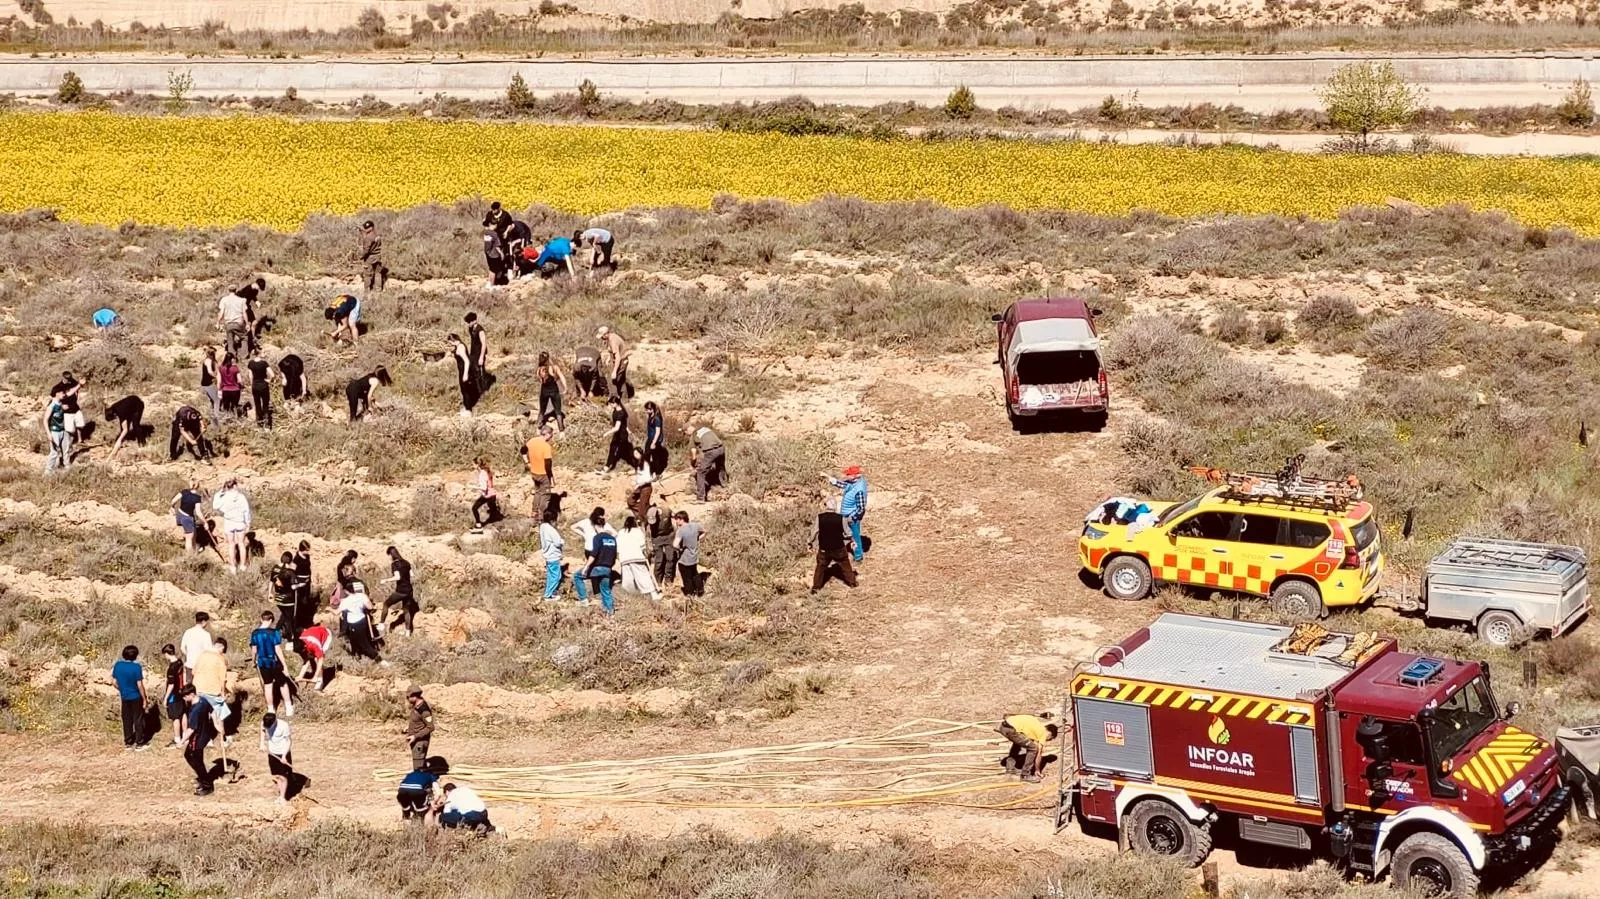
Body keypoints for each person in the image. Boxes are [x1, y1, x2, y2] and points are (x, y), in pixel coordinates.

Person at [250, 610, 296, 717]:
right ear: (271, 620)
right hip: (274, 662)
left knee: (268, 685)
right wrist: (284, 665)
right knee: (283, 683)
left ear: (261, 619)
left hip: (262, 662)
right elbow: (277, 649)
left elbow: (254, 649)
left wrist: (253, 661)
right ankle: (288, 706)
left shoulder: (255, 633)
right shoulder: (274, 632)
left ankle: (270, 709)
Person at [811, 497, 857, 592]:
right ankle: (852, 582)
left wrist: (810, 543)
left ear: (826, 506)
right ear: (835, 507)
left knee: (820, 567)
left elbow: (814, 532)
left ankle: (816, 587)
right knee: (845, 564)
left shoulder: (819, 517)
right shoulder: (841, 518)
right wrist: (851, 540)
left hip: (824, 548)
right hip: (839, 547)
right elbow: (848, 533)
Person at [998, 712, 1058, 783]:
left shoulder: (1036, 726)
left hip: (1003, 726)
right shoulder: (1043, 733)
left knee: (1018, 742)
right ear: (1050, 734)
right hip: (1011, 730)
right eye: (1050, 739)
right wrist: (1037, 770)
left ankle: (1010, 768)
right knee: (1034, 749)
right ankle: (1025, 775)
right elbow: (1039, 753)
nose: (1047, 740)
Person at [179, 686, 218, 795]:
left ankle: (207, 784)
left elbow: (192, 729)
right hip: (204, 735)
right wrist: (216, 724)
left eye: (185, 696)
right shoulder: (203, 700)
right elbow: (213, 711)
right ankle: (203, 777)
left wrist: (182, 741)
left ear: (191, 694)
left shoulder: (196, 709)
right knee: (191, 757)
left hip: (197, 738)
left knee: (196, 760)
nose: (184, 699)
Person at [112, 645, 150, 751]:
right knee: (138, 719)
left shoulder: (118, 665)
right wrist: (144, 698)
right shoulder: (136, 667)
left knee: (126, 719)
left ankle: (128, 742)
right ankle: (139, 742)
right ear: (135, 656)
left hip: (125, 696)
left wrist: (122, 689)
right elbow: (139, 685)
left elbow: (114, 682)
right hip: (136, 696)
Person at [829, 465, 869, 564]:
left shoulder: (859, 490)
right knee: (845, 534)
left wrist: (853, 517)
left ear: (855, 476)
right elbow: (845, 485)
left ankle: (858, 556)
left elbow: (861, 507)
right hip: (847, 515)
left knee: (855, 536)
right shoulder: (855, 482)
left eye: (849, 474)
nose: (846, 475)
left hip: (852, 517)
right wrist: (833, 481)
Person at [212, 479, 253, 575]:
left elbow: (215, 506)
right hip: (240, 522)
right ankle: (242, 566)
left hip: (229, 522)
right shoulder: (241, 497)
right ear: (234, 486)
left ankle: (233, 567)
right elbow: (246, 511)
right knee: (241, 544)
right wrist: (248, 523)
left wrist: (220, 492)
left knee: (231, 545)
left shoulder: (224, 497)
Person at [616, 515, 660, 601]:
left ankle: (634, 595)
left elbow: (618, 546)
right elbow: (642, 545)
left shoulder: (621, 532)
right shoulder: (638, 531)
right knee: (643, 576)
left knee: (628, 580)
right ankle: (653, 594)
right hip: (637, 557)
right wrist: (645, 552)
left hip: (624, 559)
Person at [192, 637, 231, 730]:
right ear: (222, 648)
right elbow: (222, 679)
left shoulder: (202, 655)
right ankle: (222, 738)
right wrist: (223, 693)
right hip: (212, 690)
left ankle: (207, 737)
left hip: (198, 688)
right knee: (219, 714)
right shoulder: (221, 659)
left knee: (204, 714)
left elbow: (193, 671)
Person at [339, 583, 382, 663]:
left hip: (354, 624)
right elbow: (370, 607)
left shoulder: (346, 601)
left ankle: (378, 659)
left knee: (363, 643)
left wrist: (330, 609)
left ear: (346, 591)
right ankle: (356, 655)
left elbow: (336, 612)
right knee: (353, 639)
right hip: (363, 620)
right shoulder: (362, 596)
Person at [381, 546, 418, 637]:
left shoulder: (395, 564)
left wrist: (386, 580)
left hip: (401, 591)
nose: (389, 557)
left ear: (391, 555)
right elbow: (412, 575)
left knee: (386, 604)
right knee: (406, 610)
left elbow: (398, 577)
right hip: (409, 591)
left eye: (389, 555)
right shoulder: (406, 562)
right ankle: (408, 632)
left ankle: (381, 624)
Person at [521, 424, 555, 521]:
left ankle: (534, 512)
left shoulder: (532, 441)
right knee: (545, 495)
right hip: (543, 474)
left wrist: (527, 462)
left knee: (538, 492)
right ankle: (541, 516)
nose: (552, 437)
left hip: (534, 472)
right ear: (547, 434)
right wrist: (550, 478)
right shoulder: (546, 447)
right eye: (551, 434)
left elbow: (522, 450)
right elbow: (548, 465)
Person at [261, 711, 295, 804]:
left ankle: (283, 797)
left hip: (282, 753)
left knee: (283, 777)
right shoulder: (265, 722)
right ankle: (280, 796)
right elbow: (263, 730)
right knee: (276, 776)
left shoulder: (284, 726)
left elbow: (288, 741)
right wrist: (262, 743)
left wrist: (284, 756)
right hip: (272, 753)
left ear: (275, 721)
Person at [687, 423, 726, 502]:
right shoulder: (705, 428)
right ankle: (725, 487)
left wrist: (694, 464)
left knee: (700, 472)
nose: (686, 435)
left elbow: (694, 453)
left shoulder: (694, 435)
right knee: (720, 468)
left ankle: (700, 498)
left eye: (685, 433)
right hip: (721, 448)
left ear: (687, 430)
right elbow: (708, 442)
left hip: (711, 451)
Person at [586, 522, 619, 614]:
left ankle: (583, 600)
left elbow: (594, 553)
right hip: (607, 567)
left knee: (577, 576)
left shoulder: (597, 537)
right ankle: (609, 610)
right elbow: (614, 555)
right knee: (606, 589)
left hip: (597, 567)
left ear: (595, 526)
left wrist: (586, 567)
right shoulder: (613, 539)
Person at [218, 282, 257, 358]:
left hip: (228, 323)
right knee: (244, 337)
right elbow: (244, 313)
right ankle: (244, 355)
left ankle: (231, 356)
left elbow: (221, 312)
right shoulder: (241, 300)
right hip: (239, 323)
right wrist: (247, 324)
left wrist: (218, 322)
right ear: (236, 291)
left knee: (230, 340)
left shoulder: (224, 300)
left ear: (228, 291)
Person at [673, 511, 706, 597]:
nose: (676, 522)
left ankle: (690, 593)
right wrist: (698, 539)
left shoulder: (681, 531)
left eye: (676, 520)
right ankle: (700, 590)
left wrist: (680, 549)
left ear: (681, 519)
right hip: (694, 556)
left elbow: (675, 544)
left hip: (685, 558)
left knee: (686, 577)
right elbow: (704, 532)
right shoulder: (696, 526)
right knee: (695, 573)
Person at [601, 394, 637, 473]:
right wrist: (628, 430)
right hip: (619, 434)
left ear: (615, 403)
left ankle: (639, 466)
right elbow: (624, 424)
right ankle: (606, 467)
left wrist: (607, 433)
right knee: (613, 450)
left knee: (627, 454)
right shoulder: (617, 410)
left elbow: (617, 428)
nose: (610, 405)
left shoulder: (620, 413)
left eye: (611, 404)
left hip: (621, 435)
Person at [646, 501, 677, 591]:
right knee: (659, 560)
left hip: (669, 536)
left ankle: (668, 579)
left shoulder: (666, 511)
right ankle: (657, 581)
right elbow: (647, 531)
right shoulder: (649, 516)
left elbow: (675, 516)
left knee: (670, 558)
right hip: (656, 537)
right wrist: (649, 544)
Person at [403, 688, 435, 772]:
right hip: (415, 741)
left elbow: (430, 727)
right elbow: (418, 721)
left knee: (418, 768)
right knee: (421, 766)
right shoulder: (416, 707)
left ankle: (421, 783)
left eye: (408, 697)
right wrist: (409, 728)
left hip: (420, 743)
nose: (407, 699)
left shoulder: (424, 710)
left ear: (414, 697)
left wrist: (415, 736)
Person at [103, 394, 144, 459]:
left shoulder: (121, 411)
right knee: (123, 427)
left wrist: (118, 440)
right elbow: (123, 427)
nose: (114, 420)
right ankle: (124, 440)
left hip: (138, 406)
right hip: (131, 406)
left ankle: (142, 445)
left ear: (113, 415)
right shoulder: (114, 408)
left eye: (112, 419)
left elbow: (126, 429)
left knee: (135, 425)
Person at [596, 326, 632, 399]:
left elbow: (618, 357)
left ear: (606, 334)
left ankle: (614, 399)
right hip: (621, 361)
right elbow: (613, 352)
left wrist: (614, 371)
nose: (601, 338)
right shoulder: (611, 338)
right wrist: (609, 358)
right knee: (621, 381)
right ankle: (624, 399)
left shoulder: (613, 341)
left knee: (611, 381)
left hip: (621, 362)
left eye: (602, 336)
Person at [535, 351, 568, 431]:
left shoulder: (539, 369)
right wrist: (565, 388)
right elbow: (562, 377)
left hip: (544, 391)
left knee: (542, 410)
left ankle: (538, 427)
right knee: (558, 411)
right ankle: (561, 429)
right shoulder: (554, 367)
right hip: (554, 390)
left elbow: (540, 380)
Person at [296, 618, 332, 690]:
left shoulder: (313, 644)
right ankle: (316, 675)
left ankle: (320, 680)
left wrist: (315, 676)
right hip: (315, 634)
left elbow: (320, 659)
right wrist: (300, 676)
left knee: (316, 659)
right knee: (310, 657)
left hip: (325, 635)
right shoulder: (301, 640)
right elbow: (306, 660)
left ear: (304, 647)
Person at [161, 643, 186, 747]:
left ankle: (177, 739)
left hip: (174, 695)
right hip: (182, 692)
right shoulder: (180, 662)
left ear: (167, 654)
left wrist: (166, 698)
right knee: (183, 714)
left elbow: (171, 685)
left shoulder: (171, 668)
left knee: (175, 717)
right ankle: (185, 736)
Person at [42, 386, 72, 474]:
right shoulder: (52, 406)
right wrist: (48, 434)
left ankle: (67, 468)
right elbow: (45, 420)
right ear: (57, 393)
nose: (64, 394)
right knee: (54, 452)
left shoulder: (61, 404)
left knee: (66, 450)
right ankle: (48, 472)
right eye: (62, 393)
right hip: (54, 431)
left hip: (63, 430)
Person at [538, 506, 565, 602]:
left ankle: (551, 592)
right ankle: (548, 595)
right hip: (553, 555)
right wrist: (562, 541)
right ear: (552, 519)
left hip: (547, 555)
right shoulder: (551, 529)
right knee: (557, 576)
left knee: (550, 575)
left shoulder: (542, 527)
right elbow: (558, 542)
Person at [246, 349, 278, 428]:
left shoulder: (251, 363)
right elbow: (272, 375)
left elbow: (250, 376)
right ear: (259, 354)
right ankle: (267, 424)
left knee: (257, 405)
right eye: (263, 352)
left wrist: (252, 384)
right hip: (264, 385)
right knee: (265, 405)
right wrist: (269, 380)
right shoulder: (264, 363)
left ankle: (259, 423)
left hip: (255, 386)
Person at [171, 479, 205, 553]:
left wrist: (172, 507)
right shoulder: (197, 498)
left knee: (194, 532)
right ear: (198, 486)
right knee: (188, 539)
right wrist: (205, 522)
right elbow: (198, 512)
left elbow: (173, 501)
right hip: (187, 518)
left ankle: (195, 548)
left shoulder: (184, 492)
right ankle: (190, 557)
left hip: (180, 515)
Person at [271, 553, 299, 638]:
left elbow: (271, 581)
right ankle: (290, 637)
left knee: (284, 615)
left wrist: (270, 592)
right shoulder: (290, 572)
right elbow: (293, 586)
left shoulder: (275, 568)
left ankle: (276, 631)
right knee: (289, 618)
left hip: (279, 597)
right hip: (289, 598)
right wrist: (301, 585)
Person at [180, 612, 213, 681]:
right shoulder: (206, 635)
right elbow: (209, 652)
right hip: (200, 666)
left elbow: (182, 648)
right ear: (203, 621)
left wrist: (189, 655)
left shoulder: (188, 632)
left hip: (189, 664)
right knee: (199, 687)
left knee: (189, 687)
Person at [471, 458, 502, 529]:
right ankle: (497, 526)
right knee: (493, 511)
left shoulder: (482, 474)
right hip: (493, 495)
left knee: (474, 508)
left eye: (473, 464)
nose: (472, 466)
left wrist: (473, 487)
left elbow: (484, 488)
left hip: (487, 495)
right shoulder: (487, 471)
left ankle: (478, 524)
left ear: (477, 465)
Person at [358, 220, 386, 293]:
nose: (365, 229)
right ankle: (378, 290)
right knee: (378, 273)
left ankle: (367, 291)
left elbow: (366, 250)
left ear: (370, 228)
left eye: (366, 228)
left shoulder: (368, 238)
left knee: (367, 275)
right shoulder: (377, 236)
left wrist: (361, 257)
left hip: (370, 258)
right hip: (378, 256)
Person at [465, 312, 489, 395]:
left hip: (479, 354)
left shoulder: (480, 330)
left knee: (480, 373)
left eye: (469, 322)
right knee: (473, 372)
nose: (468, 324)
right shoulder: (471, 329)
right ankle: (477, 390)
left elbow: (484, 344)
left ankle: (483, 391)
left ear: (474, 321)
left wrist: (481, 357)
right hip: (473, 353)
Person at [292, 541, 314, 630]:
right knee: (300, 602)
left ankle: (306, 621)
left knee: (306, 600)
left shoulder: (307, 557)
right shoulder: (296, 559)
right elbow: (293, 571)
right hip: (300, 582)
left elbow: (309, 568)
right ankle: (299, 623)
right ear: (302, 549)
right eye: (306, 550)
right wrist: (296, 582)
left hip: (307, 581)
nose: (308, 552)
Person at [643, 401, 667, 478]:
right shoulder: (650, 416)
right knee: (647, 455)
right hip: (650, 438)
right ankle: (649, 471)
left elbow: (658, 432)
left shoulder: (657, 419)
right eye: (646, 409)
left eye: (648, 409)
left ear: (652, 409)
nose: (647, 411)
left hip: (655, 439)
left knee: (655, 456)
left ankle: (657, 473)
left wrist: (653, 443)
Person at [198, 348, 222, 425]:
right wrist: (215, 375)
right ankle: (216, 419)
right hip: (208, 383)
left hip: (205, 383)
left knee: (212, 401)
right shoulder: (209, 361)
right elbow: (210, 371)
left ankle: (212, 418)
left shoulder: (207, 360)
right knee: (217, 400)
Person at [218, 353, 243, 418]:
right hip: (235, 390)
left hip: (225, 389)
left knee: (226, 407)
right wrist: (242, 386)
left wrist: (219, 389)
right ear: (232, 359)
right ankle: (235, 419)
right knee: (234, 406)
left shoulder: (221, 368)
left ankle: (227, 419)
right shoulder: (235, 368)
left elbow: (219, 380)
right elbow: (240, 380)